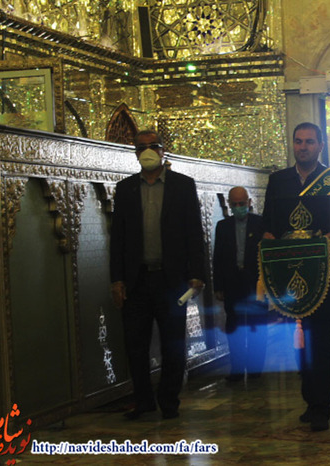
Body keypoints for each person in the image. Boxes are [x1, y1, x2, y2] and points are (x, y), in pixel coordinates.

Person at [262, 122, 330, 432]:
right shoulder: (278, 181)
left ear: (320, 146)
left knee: (321, 339)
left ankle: (321, 407)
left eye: (309, 142)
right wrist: (267, 238)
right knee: (298, 340)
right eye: (298, 141)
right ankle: (310, 399)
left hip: (322, 273)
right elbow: (267, 224)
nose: (303, 146)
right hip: (287, 273)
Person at [110, 129, 206, 420]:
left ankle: (169, 401)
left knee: (173, 344)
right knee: (135, 345)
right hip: (136, 280)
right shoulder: (125, 189)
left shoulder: (183, 185)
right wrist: (117, 279)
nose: (148, 151)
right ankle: (144, 402)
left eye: (153, 146)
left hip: (171, 279)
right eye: (142, 147)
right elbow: (117, 238)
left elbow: (194, 232)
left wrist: (197, 273)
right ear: (135, 153)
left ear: (164, 151)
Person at [213, 186, 268, 382]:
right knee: (234, 328)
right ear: (229, 204)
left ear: (249, 202)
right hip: (232, 283)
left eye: (241, 203)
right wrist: (218, 286)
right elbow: (217, 258)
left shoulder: (261, 224)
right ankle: (236, 370)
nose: (238, 207)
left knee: (257, 326)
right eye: (234, 204)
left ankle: (255, 370)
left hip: (256, 284)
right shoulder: (223, 226)